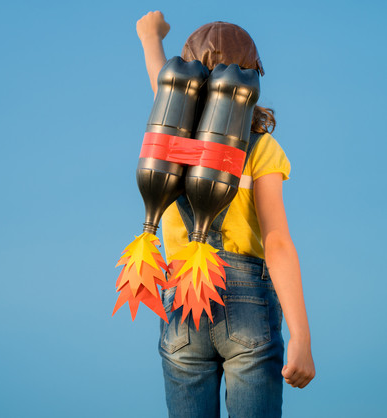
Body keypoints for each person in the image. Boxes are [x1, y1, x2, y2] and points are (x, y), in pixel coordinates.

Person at [136, 11, 315, 418]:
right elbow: (277, 242)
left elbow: (160, 83)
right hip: (246, 302)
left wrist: (150, 35)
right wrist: (301, 335)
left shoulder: (169, 143)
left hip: (182, 301)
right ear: (250, 81)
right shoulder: (260, 149)